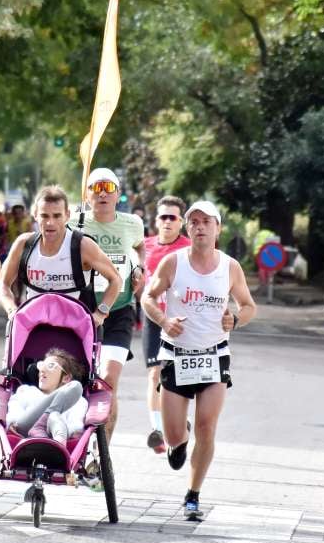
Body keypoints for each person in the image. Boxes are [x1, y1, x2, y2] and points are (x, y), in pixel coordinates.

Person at [141, 201, 256, 520]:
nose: (200, 227)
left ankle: (193, 495)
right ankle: (178, 441)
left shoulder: (230, 267)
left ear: (218, 228)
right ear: (187, 228)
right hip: (176, 355)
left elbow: (248, 306)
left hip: (213, 356)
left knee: (208, 426)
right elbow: (147, 297)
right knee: (175, 437)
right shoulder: (172, 263)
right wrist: (164, 321)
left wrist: (235, 318)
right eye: (194, 222)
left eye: (207, 221)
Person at [70, 168, 145, 441]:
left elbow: (138, 247)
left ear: (118, 195)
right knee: (77, 383)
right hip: (83, 312)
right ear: (87, 195)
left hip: (118, 311)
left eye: (109, 188)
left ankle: (102, 453)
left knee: (108, 382)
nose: (102, 193)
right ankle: (76, 442)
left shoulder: (132, 223)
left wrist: (139, 268)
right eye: (96, 187)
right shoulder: (74, 222)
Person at [0, 185, 120, 318]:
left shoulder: (83, 246)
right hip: (34, 327)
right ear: (36, 215)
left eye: (57, 216)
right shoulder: (24, 244)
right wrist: (12, 310)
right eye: (44, 216)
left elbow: (116, 279)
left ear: (67, 215)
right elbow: (2, 283)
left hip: (75, 329)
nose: (50, 222)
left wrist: (101, 312)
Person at [140, 196, 190, 455]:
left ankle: (179, 425)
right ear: (156, 220)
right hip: (153, 318)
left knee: (180, 377)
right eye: (163, 217)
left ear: (181, 222)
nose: (167, 221)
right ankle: (157, 431)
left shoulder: (189, 248)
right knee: (155, 374)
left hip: (182, 321)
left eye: (173, 217)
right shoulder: (144, 246)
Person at [7, 348, 88, 444]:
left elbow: (75, 424)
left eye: (50, 366)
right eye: (41, 365)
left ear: (66, 378)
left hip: (55, 435)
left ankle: (52, 443)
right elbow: (15, 407)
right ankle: (43, 432)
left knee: (55, 415)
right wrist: (13, 420)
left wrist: (71, 431)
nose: (42, 370)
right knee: (76, 387)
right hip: (25, 430)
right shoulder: (27, 391)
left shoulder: (78, 401)